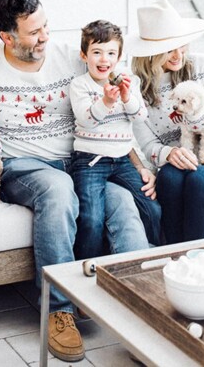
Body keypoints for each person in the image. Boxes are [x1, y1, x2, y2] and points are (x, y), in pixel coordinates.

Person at [0, 0, 155, 363]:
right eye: (34, 32)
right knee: (58, 189)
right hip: (20, 165)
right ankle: (59, 309)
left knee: (123, 203)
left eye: (45, 25)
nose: (45, 36)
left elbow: (119, 101)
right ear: (7, 37)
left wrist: (142, 162)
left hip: (80, 163)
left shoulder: (71, 57)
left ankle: (145, 303)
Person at [126, 0, 204, 245]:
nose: (179, 53)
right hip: (178, 166)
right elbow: (148, 145)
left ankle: (198, 263)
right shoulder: (136, 89)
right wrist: (169, 153)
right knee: (169, 179)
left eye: (181, 44)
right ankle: (173, 260)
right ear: (150, 52)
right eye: (169, 48)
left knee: (199, 177)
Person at [70, 20, 162, 259]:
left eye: (111, 53)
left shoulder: (130, 82)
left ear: (119, 56)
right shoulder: (80, 86)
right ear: (84, 55)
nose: (104, 60)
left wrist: (126, 96)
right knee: (91, 218)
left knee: (151, 207)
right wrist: (107, 102)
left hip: (122, 160)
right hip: (89, 161)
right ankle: (86, 267)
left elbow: (140, 115)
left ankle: (150, 256)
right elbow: (87, 118)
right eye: (96, 52)